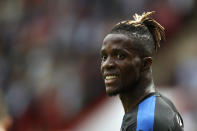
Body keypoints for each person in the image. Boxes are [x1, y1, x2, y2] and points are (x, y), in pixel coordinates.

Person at [100, 11, 184, 131]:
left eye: (120, 56)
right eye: (104, 57)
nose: (107, 64)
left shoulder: (144, 121)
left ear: (145, 64)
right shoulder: (160, 105)